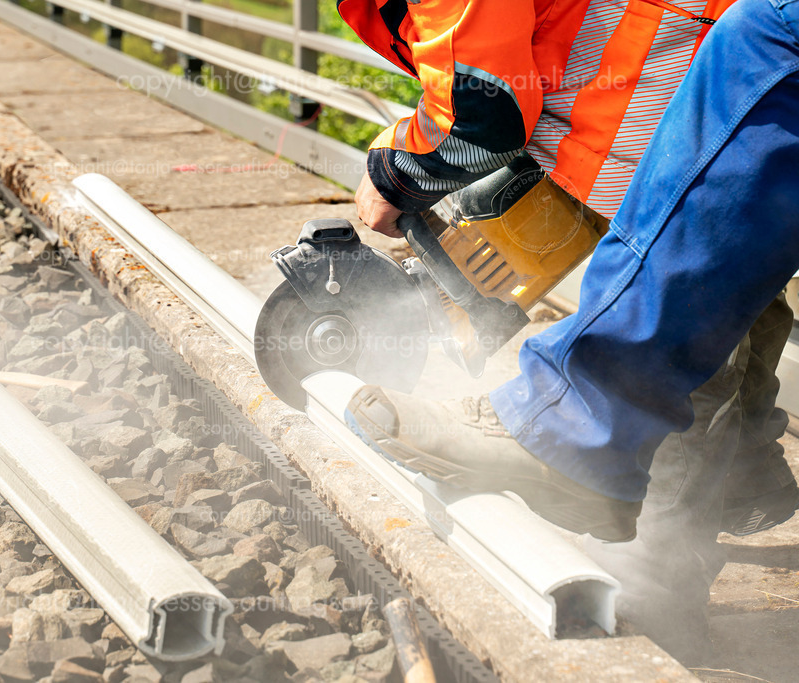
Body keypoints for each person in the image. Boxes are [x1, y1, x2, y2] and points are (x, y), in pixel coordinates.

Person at [339, 0, 799, 661]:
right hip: (681, 105)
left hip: (664, 115)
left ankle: (652, 595)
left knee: (694, 340)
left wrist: (394, 171)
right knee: (731, 295)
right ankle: (743, 471)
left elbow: (483, 112)